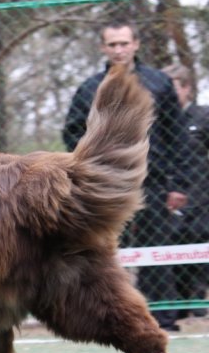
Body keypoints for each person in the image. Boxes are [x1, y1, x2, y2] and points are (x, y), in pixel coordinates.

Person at [63, 20, 191, 332]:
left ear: (135, 44)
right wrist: (91, 168)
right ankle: (104, 317)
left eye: (124, 43)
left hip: (154, 182)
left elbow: (177, 138)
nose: (119, 49)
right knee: (101, 252)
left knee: (157, 250)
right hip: (105, 185)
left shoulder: (159, 82)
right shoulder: (90, 88)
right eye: (112, 44)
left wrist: (177, 184)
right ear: (103, 48)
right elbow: (71, 132)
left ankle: (162, 319)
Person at [161, 63, 208, 317]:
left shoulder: (203, 116)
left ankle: (197, 297)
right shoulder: (156, 123)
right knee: (169, 247)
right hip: (166, 200)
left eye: (173, 87)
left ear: (187, 88)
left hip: (201, 199)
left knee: (199, 242)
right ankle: (176, 303)